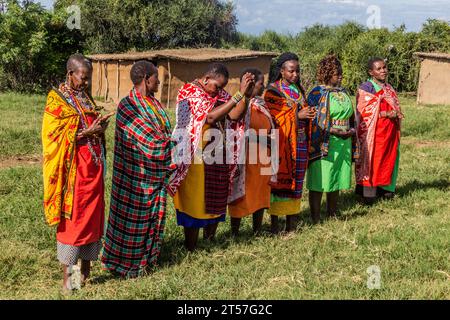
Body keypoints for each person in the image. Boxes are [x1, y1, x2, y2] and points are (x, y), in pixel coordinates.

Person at [168, 63, 255, 251]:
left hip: (217, 154)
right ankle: (190, 247)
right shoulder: (189, 92)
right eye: (217, 86)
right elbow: (209, 118)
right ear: (206, 79)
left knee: (215, 199)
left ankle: (209, 243)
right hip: (194, 155)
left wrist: (245, 95)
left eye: (222, 88)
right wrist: (237, 96)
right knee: (194, 200)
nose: (218, 92)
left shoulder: (220, 95)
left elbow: (234, 115)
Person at [42, 53, 111, 291]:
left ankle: (85, 275)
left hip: (93, 169)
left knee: (92, 221)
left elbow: (88, 127)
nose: (86, 82)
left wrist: (99, 128)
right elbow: (52, 136)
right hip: (74, 174)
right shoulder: (57, 100)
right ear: (71, 74)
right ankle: (68, 281)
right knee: (73, 223)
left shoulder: (86, 98)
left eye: (88, 78)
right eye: (83, 77)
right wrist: (85, 133)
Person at [101, 61, 175, 278]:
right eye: (155, 77)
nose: (159, 81)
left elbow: (161, 133)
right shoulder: (128, 105)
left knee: (152, 219)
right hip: (134, 178)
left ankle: (147, 260)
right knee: (132, 222)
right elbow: (149, 142)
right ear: (146, 79)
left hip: (155, 174)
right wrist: (175, 145)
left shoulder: (153, 103)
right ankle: (125, 265)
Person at [263, 52, 315, 233]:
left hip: (300, 142)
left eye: (297, 71)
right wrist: (296, 115)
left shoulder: (298, 90)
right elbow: (273, 117)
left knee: (297, 182)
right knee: (279, 184)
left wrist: (308, 115)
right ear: (282, 71)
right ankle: (275, 226)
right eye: (292, 71)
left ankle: (291, 224)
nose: (295, 75)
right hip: (282, 143)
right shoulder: (272, 91)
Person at [306, 54, 357, 223]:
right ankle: (315, 217)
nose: (341, 76)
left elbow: (351, 115)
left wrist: (350, 130)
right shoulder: (316, 92)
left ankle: (332, 213)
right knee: (320, 178)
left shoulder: (343, 92)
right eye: (337, 73)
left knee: (336, 175)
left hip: (344, 140)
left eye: (341, 72)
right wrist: (332, 129)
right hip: (324, 142)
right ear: (327, 74)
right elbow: (312, 118)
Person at [228, 68, 276, 236]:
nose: (263, 87)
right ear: (251, 84)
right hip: (246, 156)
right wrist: (261, 139)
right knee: (241, 192)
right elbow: (235, 123)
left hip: (263, 157)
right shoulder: (240, 102)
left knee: (261, 191)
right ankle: (234, 232)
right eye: (260, 84)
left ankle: (257, 229)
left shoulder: (262, 105)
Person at [355, 57, 403, 204]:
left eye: (384, 67)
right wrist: (386, 114)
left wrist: (396, 114)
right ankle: (368, 193)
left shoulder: (389, 88)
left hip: (390, 133)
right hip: (373, 135)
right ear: (371, 72)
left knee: (388, 160)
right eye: (379, 69)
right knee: (373, 161)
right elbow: (362, 112)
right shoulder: (366, 88)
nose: (383, 71)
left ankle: (386, 189)